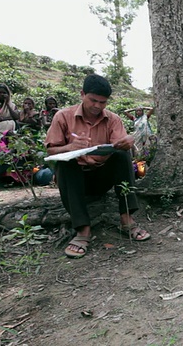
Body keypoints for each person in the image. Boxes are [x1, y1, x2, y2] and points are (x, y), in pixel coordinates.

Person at [45, 74, 150, 259]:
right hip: (74, 180)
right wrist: (71, 148)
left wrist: (126, 144)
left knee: (122, 155)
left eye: (102, 102)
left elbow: (119, 145)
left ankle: (127, 219)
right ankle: (83, 229)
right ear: (82, 94)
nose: (97, 106)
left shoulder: (113, 119)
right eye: (93, 100)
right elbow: (51, 152)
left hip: (101, 177)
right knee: (65, 161)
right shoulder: (63, 116)